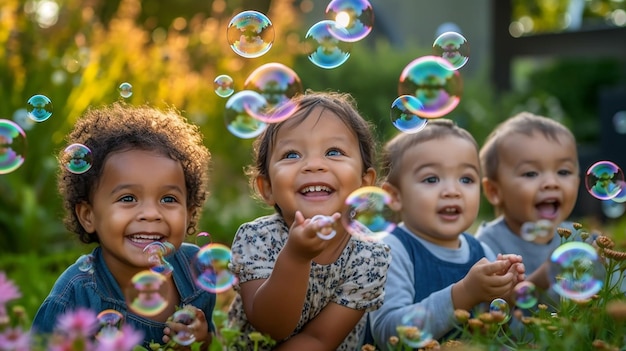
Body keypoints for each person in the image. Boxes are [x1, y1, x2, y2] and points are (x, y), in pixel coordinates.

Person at [31, 102, 216, 348]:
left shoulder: (196, 271)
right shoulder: (74, 296)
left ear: (189, 212)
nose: (151, 214)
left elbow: (214, 343)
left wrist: (203, 340)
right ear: (89, 216)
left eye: (168, 199)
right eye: (128, 198)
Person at [227, 91, 391, 351]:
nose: (314, 165)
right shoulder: (256, 238)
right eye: (292, 155)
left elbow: (319, 340)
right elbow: (271, 327)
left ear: (364, 183)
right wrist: (295, 257)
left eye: (334, 152)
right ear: (267, 187)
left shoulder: (370, 256)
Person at [368, 119, 524, 349]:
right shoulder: (391, 251)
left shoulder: (482, 251)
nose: (452, 191)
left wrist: (505, 301)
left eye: (466, 179)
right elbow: (387, 333)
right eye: (431, 179)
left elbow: (498, 337)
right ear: (394, 197)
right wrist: (464, 293)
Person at [475, 112, 580, 289]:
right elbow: (487, 308)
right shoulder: (486, 246)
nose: (551, 183)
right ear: (494, 191)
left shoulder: (577, 239)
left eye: (563, 172)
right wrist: (540, 280)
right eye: (531, 173)